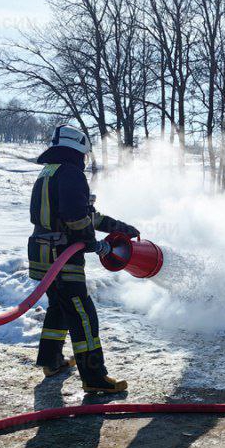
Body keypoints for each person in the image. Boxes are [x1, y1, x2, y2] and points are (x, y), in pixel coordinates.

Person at [28, 124, 139, 393]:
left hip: (42, 255)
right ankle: (94, 377)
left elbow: (88, 215)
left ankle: (52, 361)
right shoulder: (71, 174)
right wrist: (91, 243)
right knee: (83, 314)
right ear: (79, 150)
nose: (85, 160)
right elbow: (76, 217)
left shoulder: (49, 172)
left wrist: (120, 228)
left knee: (59, 308)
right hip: (62, 258)